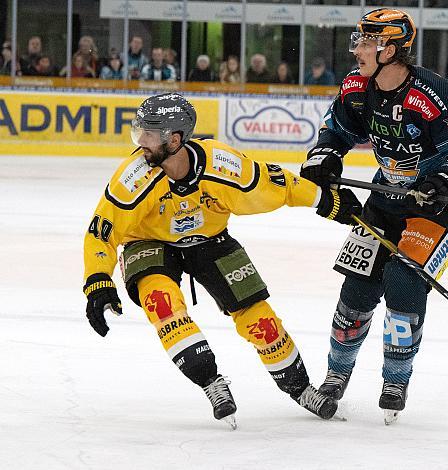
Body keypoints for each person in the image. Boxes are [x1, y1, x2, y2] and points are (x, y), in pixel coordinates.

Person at [82, 93, 362, 428]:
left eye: (149, 134)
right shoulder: (133, 178)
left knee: (261, 319)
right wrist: (98, 282)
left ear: (174, 139)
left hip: (210, 241)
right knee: (162, 302)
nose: (140, 141)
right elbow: (101, 232)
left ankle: (300, 388)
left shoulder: (223, 165)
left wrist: (325, 200)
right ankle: (210, 381)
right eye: (139, 131)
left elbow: (277, 183)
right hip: (149, 242)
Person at [299, 8, 448, 424]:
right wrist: (325, 157)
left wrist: (443, 182)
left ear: (392, 50)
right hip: (386, 200)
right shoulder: (356, 86)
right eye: (359, 40)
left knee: (403, 281)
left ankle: (396, 379)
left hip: (440, 209)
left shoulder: (432, 92)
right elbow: (337, 130)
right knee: (357, 287)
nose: (358, 49)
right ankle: (335, 377)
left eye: (367, 42)